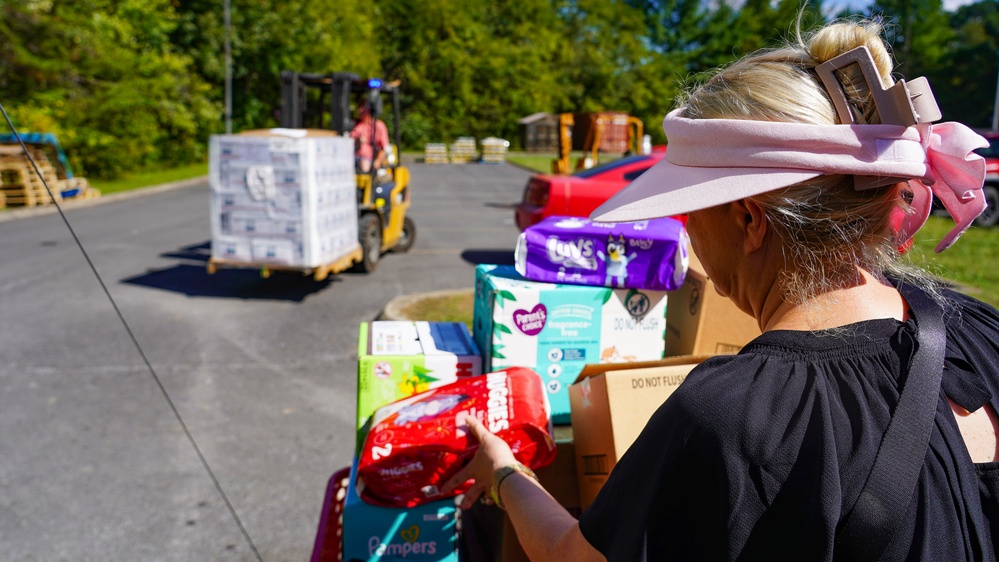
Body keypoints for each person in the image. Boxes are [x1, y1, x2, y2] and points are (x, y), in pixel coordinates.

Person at [442, 17, 999, 562]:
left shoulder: (733, 420)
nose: (683, 225)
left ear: (748, 220)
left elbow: (575, 556)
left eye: (690, 206)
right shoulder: (980, 332)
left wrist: (504, 475)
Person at [350, 100, 390, 173]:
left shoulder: (378, 126)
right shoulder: (353, 125)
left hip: (368, 158)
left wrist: (377, 161)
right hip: (352, 156)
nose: (359, 110)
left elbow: (384, 148)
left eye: (362, 107)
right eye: (359, 107)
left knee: (364, 165)